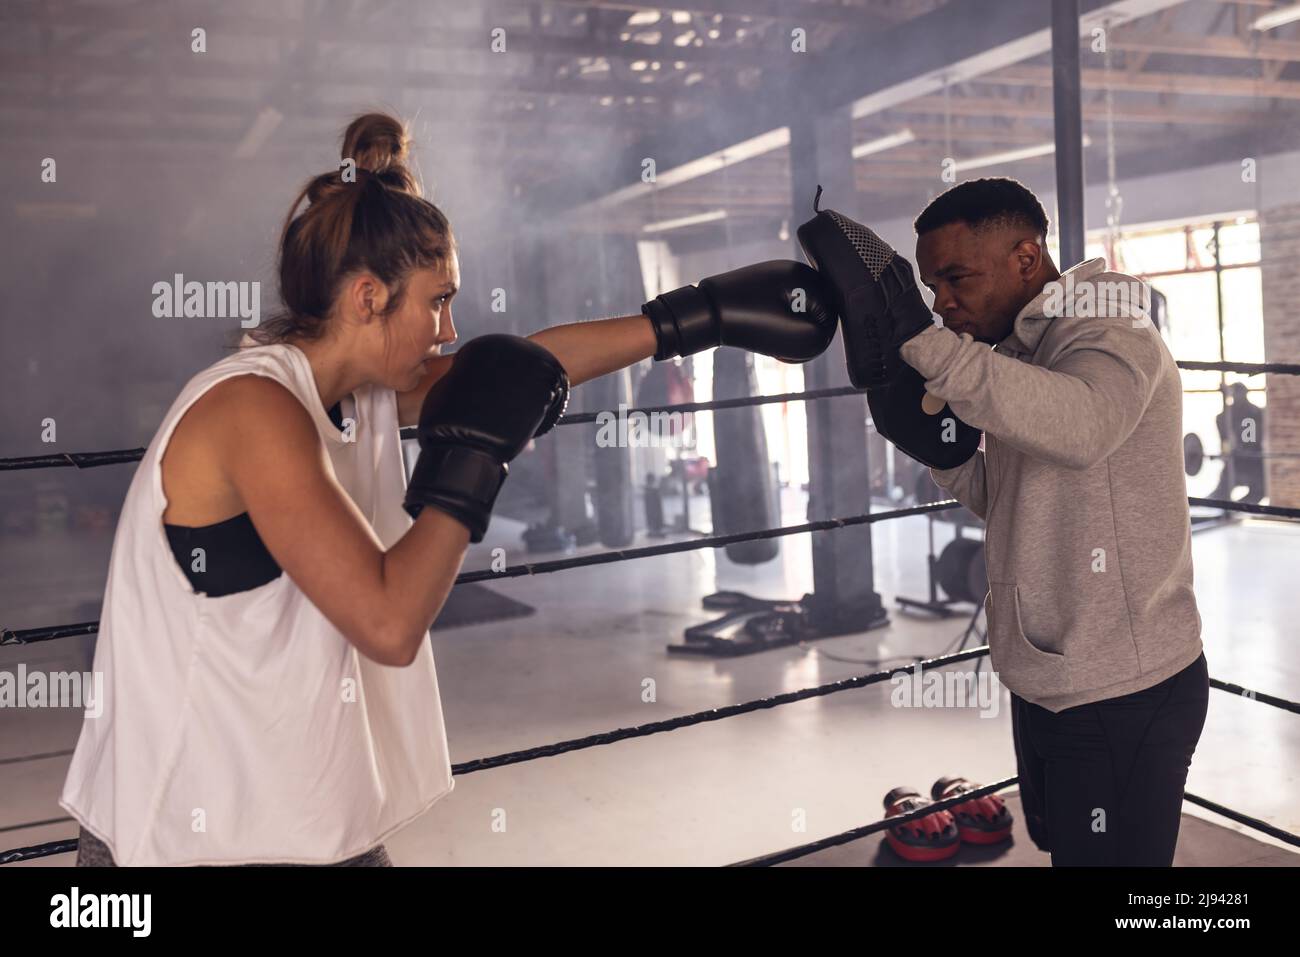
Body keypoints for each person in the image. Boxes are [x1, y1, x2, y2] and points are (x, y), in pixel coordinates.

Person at [61, 112, 838, 866]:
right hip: (181, 837)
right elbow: (390, 621)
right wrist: (473, 466)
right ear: (369, 297)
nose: (448, 328)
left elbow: (519, 367)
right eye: (438, 299)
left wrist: (699, 316)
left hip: (286, 809)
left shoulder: (356, 389)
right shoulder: (252, 408)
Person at [804, 178, 1209, 866]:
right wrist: (944, 454)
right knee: (1065, 848)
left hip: (1121, 692)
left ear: (1027, 258)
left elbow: (1083, 426)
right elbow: (1012, 499)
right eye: (930, 288)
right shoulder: (1020, 351)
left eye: (956, 277)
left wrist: (922, 341)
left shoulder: (1110, 325)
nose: (943, 303)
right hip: (1051, 677)